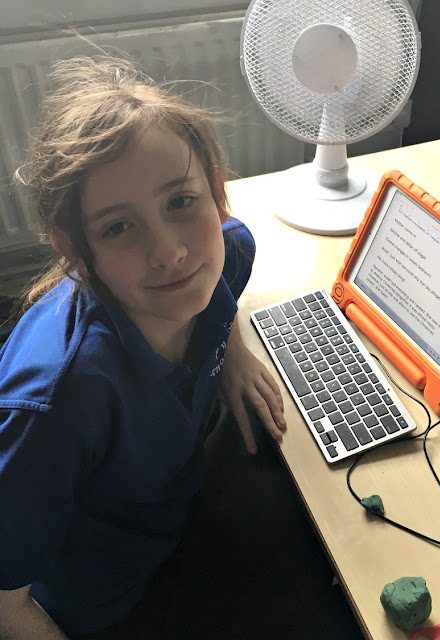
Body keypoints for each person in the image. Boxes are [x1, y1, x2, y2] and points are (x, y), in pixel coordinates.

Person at [0, 54, 287, 639]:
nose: (171, 252)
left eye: (181, 202)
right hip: (96, 609)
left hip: (173, 520)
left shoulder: (227, 250)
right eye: (117, 227)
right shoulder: (54, 403)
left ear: (216, 190)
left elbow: (219, 275)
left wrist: (232, 351)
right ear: (76, 252)